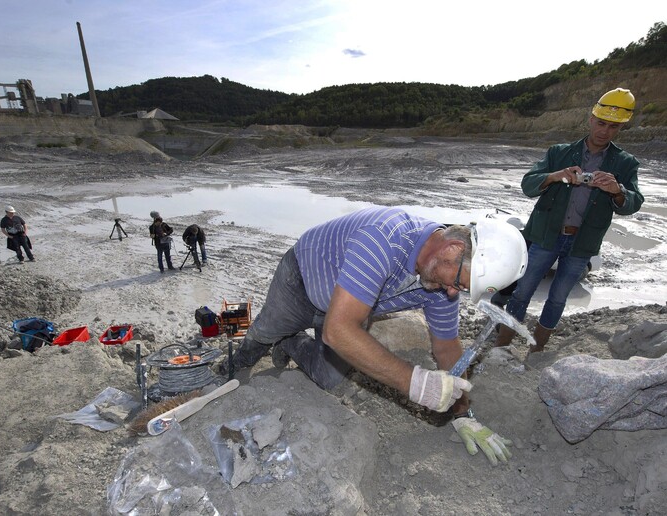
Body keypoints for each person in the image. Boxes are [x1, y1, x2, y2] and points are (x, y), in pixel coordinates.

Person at [225, 206, 528, 465]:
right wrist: (416, 383)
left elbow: (446, 345)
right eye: (458, 284)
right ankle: (241, 362)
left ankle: (291, 341)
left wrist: (463, 413)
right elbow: (338, 331)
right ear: (452, 250)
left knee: (329, 378)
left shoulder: (439, 284)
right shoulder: (384, 239)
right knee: (264, 332)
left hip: (349, 307)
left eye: (460, 290)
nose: (453, 293)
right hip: (302, 282)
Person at [495, 88, 644, 352]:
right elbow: (528, 185)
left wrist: (617, 191)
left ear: (620, 128)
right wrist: (555, 175)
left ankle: (537, 349)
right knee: (522, 291)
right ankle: (503, 342)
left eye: (613, 127)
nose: (605, 131)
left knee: (558, 299)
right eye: (601, 123)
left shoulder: (625, 163)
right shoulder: (559, 153)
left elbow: (633, 202)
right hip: (546, 237)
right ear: (590, 120)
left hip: (582, 243)